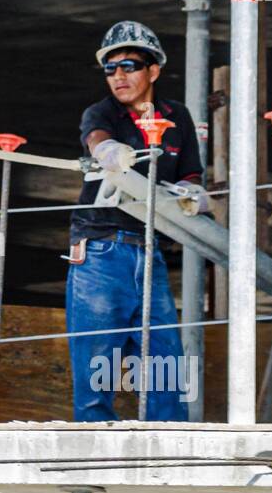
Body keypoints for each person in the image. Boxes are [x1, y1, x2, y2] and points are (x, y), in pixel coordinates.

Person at [65, 21, 209, 421]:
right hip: (99, 250)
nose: (119, 76)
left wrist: (191, 193)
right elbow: (95, 136)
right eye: (110, 69)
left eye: (128, 65)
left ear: (154, 70)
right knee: (97, 362)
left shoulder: (177, 116)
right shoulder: (102, 112)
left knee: (164, 362)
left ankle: (170, 454)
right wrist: (107, 148)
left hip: (150, 250)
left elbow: (191, 173)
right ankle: (91, 464)